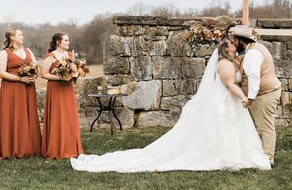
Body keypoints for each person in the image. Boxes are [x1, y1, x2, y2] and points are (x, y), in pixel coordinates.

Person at [71, 36, 270, 172]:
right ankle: (225, 156)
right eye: (233, 44)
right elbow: (229, 85)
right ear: (226, 49)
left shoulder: (233, 61)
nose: (236, 45)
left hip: (228, 102)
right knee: (222, 128)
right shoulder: (225, 64)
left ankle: (231, 154)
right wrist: (244, 97)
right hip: (225, 101)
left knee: (229, 129)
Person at [228, 25, 282, 165]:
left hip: (265, 94)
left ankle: (268, 159)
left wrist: (250, 99)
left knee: (265, 127)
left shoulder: (252, 54)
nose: (233, 43)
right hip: (264, 92)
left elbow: (254, 78)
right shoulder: (253, 49)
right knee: (258, 127)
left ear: (242, 40)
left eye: (235, 41)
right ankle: (258, 155)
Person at [0, 27, 41, 158]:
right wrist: (20, 79)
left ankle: (31, 148)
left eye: (22, 35)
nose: (22, 37)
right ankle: (12, 149)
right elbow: (1, 72)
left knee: (28, 115)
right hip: (12, 90)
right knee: (14, 115)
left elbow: (36, 67)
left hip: (28, 88)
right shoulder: (4, 53)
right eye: (19, 35)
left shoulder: (28, 51)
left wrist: (34, 77)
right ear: (12, 37)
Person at [41, 33, 84, 158]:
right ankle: (56, 147)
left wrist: (76, 73)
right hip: (55, 89)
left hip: (67, 89)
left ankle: (71, 147)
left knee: (69, 116)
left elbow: (74, 71)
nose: (68, 42)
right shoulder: (51, 56)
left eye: (68, 40)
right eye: (66, 40)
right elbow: (44, 74)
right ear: (58, 42)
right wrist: (61, 76)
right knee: (57, 116)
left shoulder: (70, 55)